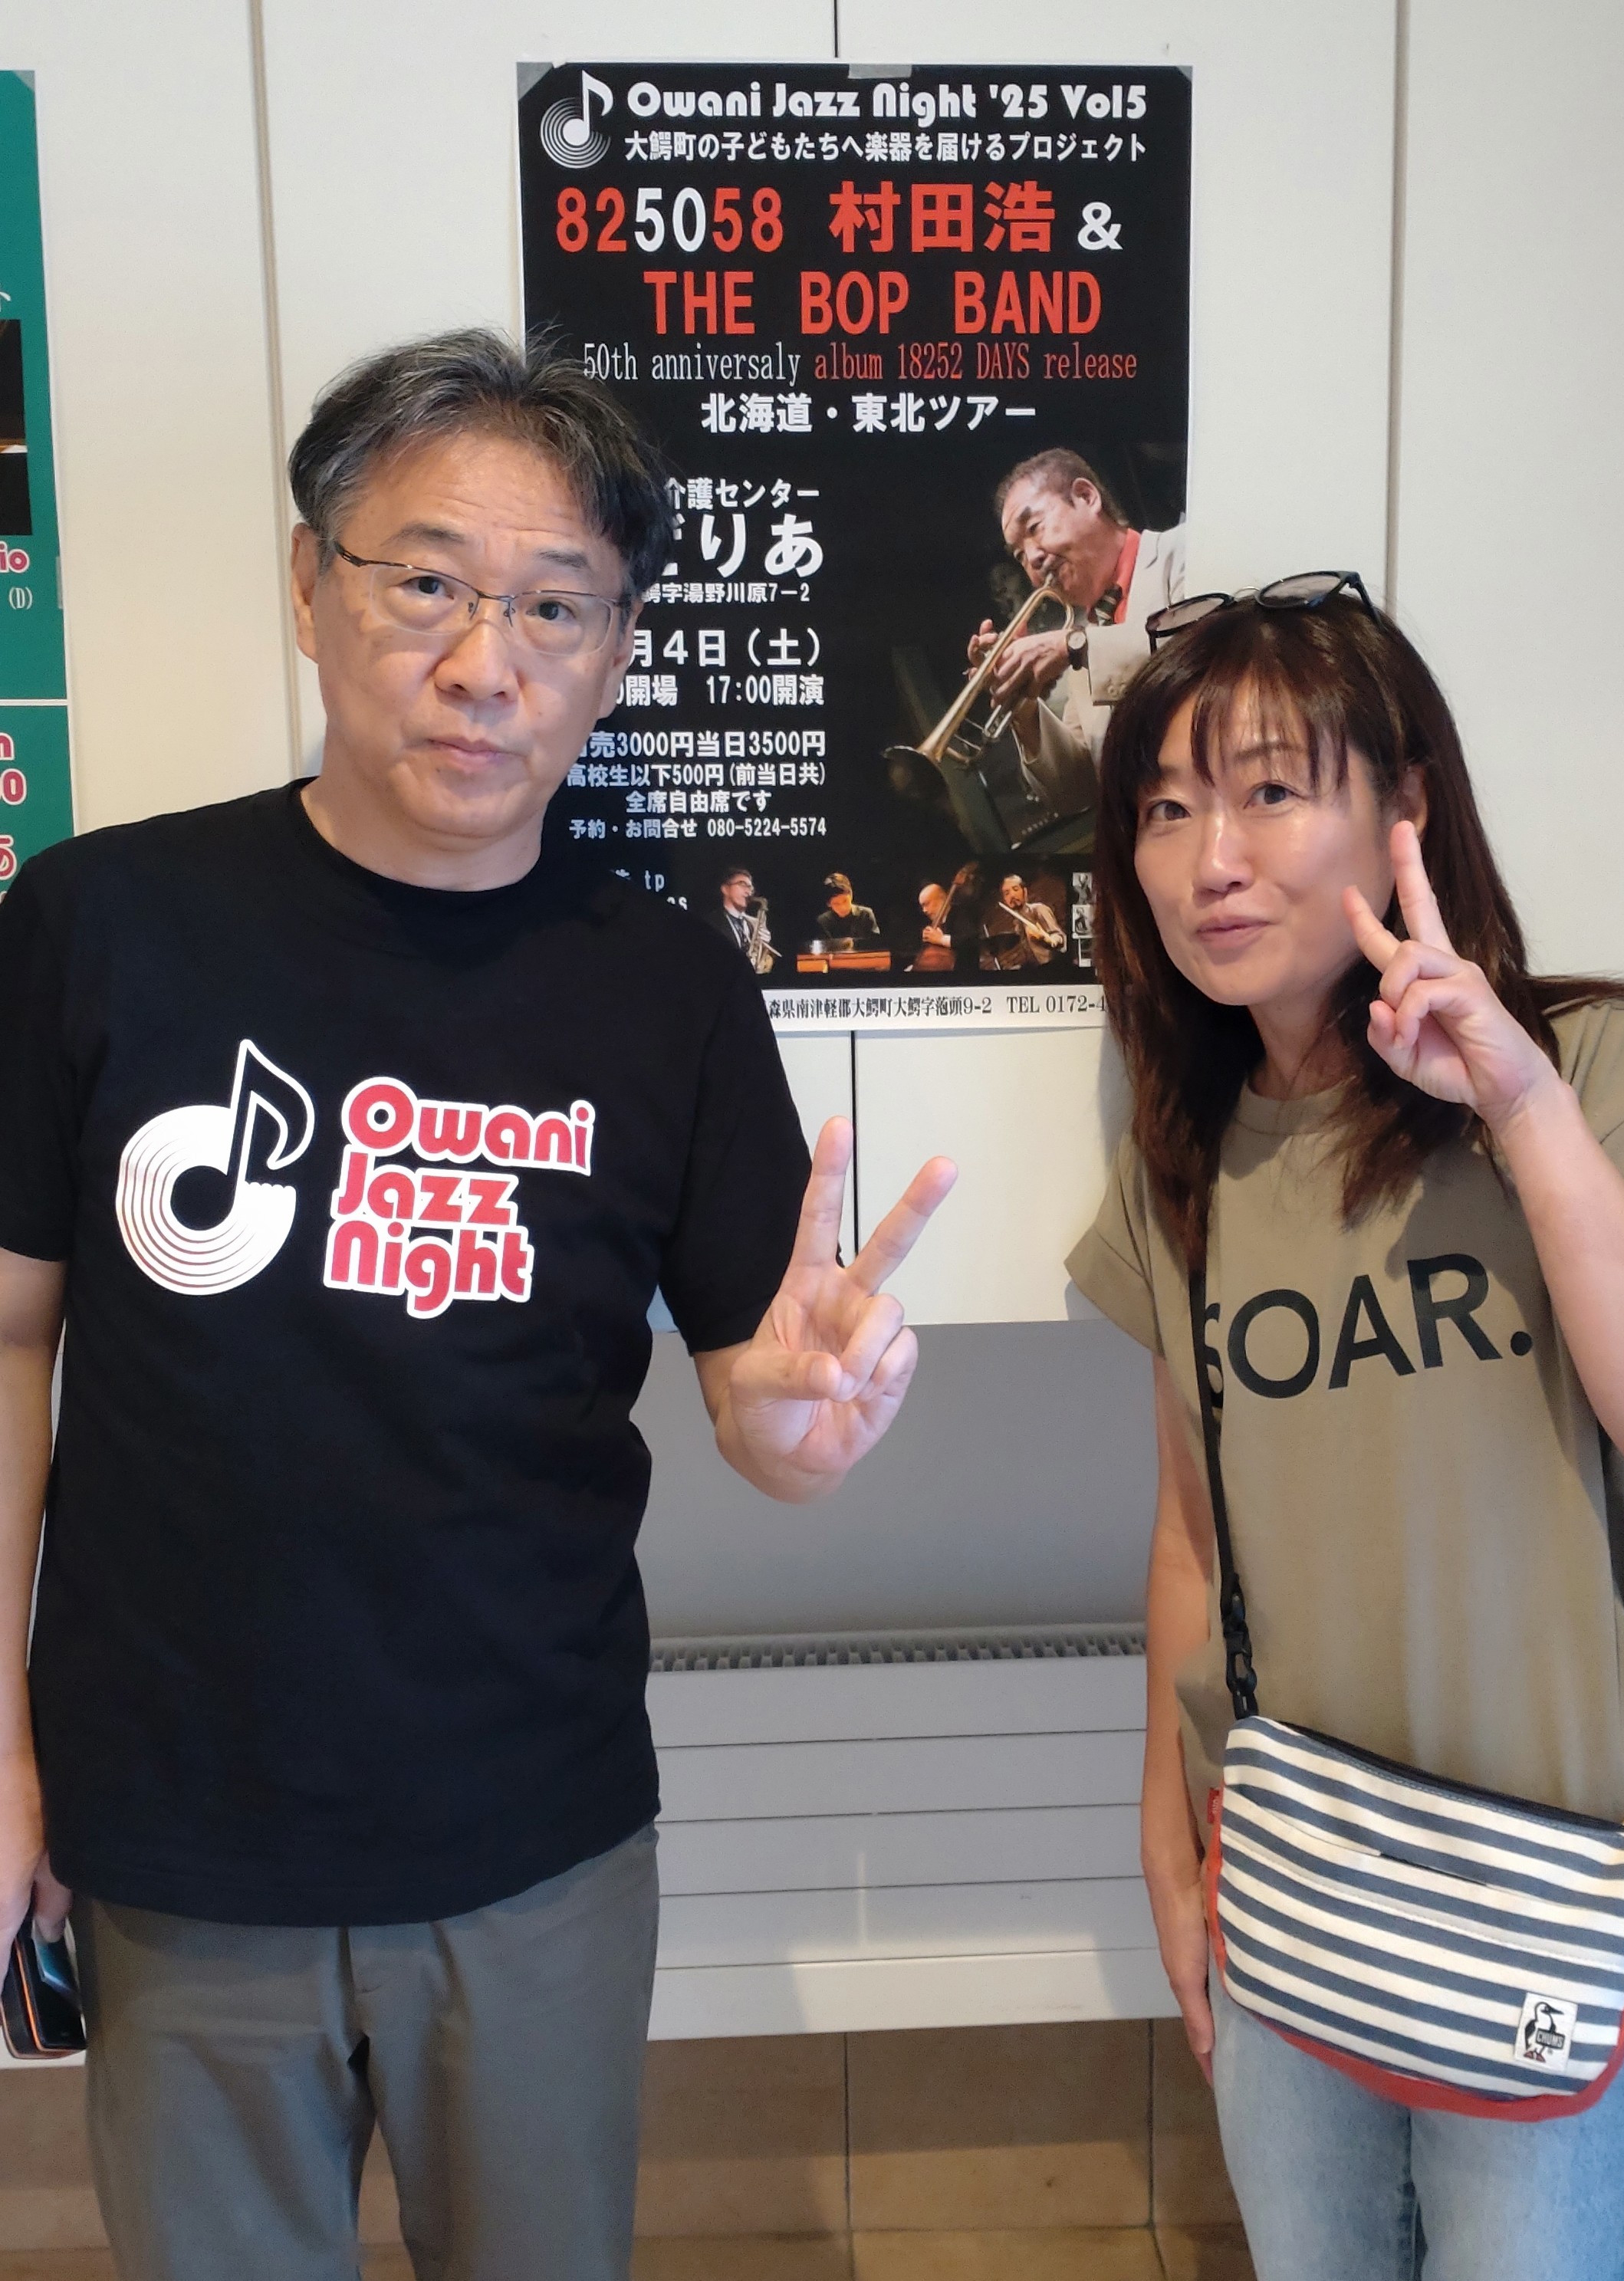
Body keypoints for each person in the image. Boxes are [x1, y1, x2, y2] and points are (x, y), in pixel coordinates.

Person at [0, 328, 955, 2281]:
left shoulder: (669, 989)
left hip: (536, 1840)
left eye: (552, 606)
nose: (482, 660)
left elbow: (761, 1405)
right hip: (174, 1829)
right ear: (309, 584)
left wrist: (803, 1426)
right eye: (424, 581)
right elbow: (9, 1334)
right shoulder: (99, 924)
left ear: (613, 650)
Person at [1066, 580, 1624, 2281]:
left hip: (1568, 1904)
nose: (1208, 859)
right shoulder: (1183, 1155)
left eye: (1268, 791)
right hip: (1301, 1894)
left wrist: (1513, 1099)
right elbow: (1191, 1534)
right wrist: (1168, 1835)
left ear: (1403, 810)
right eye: (1163, 809)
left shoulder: (1586, 1063)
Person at [968, 448, 1185, 818]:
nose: (1032, 559)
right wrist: (1022, 704)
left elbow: (1210, 647)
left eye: (1034, 528)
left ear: (1087, 497)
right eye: (1019, 555)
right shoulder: (1085, 640)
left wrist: (1072, 647)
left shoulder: (1183, 550)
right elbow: (1072, 792)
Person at [979, 873, 1066, 971]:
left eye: (1016, 889)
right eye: (1007, 893)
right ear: (1005, 900)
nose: (1012, 895)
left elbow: (1060, 937)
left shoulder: (1039, 910)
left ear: (1025, 892)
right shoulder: (1018, 923)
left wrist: (1048, 939)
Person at [706, 863, 776, 971]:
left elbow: (767, 964)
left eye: (750, 887)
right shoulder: (711, 923)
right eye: (742, 884)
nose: (748, 892)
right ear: (725, 889)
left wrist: (765, 945)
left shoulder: (754, 923)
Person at [814, 871, 880, 948]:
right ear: (829, 904)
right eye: (836, 904)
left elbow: (876, 944)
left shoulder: (866, 915)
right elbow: (824, 948)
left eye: (845, 901)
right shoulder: (824, 921)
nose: (842, 907)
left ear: (851, 896)